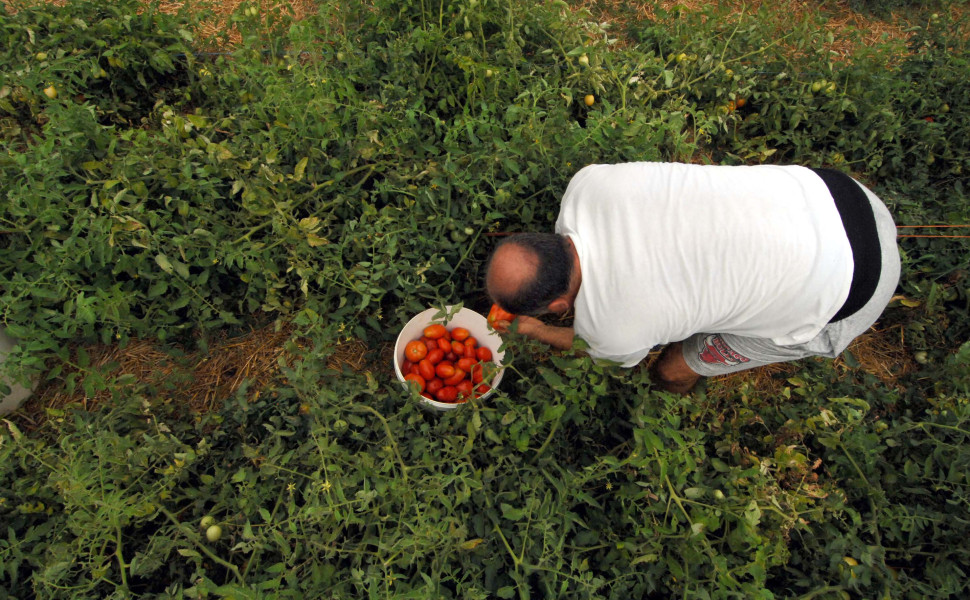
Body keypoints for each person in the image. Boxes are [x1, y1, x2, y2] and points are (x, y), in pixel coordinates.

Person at [484, 162, 901, 394]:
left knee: (672, 367)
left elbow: (602, 353)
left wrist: (535, 329)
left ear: (559, 307)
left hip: (850, 289)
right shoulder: (586, 185)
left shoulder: (615, 328)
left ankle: (670, 405)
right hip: (836, 193)